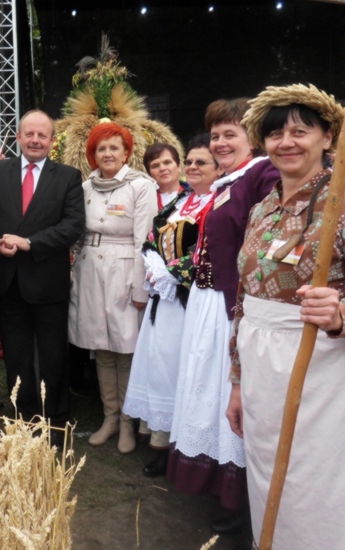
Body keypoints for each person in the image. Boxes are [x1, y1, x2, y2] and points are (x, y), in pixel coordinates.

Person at [226, 83, 345, 549]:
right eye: (275, 134)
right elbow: (245, 304)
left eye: (299, 131)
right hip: (265, 382)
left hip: (328, 380)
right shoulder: (263, 209)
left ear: (328, 137)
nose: (285, 142)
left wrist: (342, 313)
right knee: (275, 492)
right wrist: (237, 382)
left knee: (324, 496)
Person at [168, 98, 279, 536]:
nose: (220, 143)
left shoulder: (262, 174)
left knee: (235, 397)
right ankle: (229, 491)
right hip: (209, 303)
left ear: (253, 138)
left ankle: (250, 504)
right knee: (214, 396)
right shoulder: (229, 181)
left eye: (230, 133)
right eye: (215, 135)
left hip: (232, 306)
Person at [0, 110, 84, 445]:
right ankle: (24, 421)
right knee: (16, 357)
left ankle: (56, 424)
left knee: (53, 357)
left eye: (42, 135)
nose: (35, 140)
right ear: (17, 137)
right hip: (6, 282)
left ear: (52, 140)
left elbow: (73, 225)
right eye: (29, 134)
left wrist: (30, 242)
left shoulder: (68, 177)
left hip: (48, 282)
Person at [124, 136, 221, 476]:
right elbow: (153, 237)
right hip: (164, 300)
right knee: (163, 368)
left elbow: (209, 249)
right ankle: (162, 444)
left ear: (218, 168)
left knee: (185, 370)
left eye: (200, 162)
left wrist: (174, 273)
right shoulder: (182, 200)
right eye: (190, 162)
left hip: (193, 300)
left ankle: (186, 450)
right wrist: (154, 265)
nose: (193, 167)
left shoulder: (218, 203)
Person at [69, 122, 157, 454]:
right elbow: (78, 232)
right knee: (101, 348)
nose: (107, 154)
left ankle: (128, 423)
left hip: (124, 268)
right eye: (101, 148)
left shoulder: (141, 186)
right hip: (90, 269)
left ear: (126, 152)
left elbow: (144, 240)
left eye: (114, 148)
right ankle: (110, 418)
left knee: (125, 346)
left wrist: (139, 288)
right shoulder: (85, 187)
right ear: (93, 154)